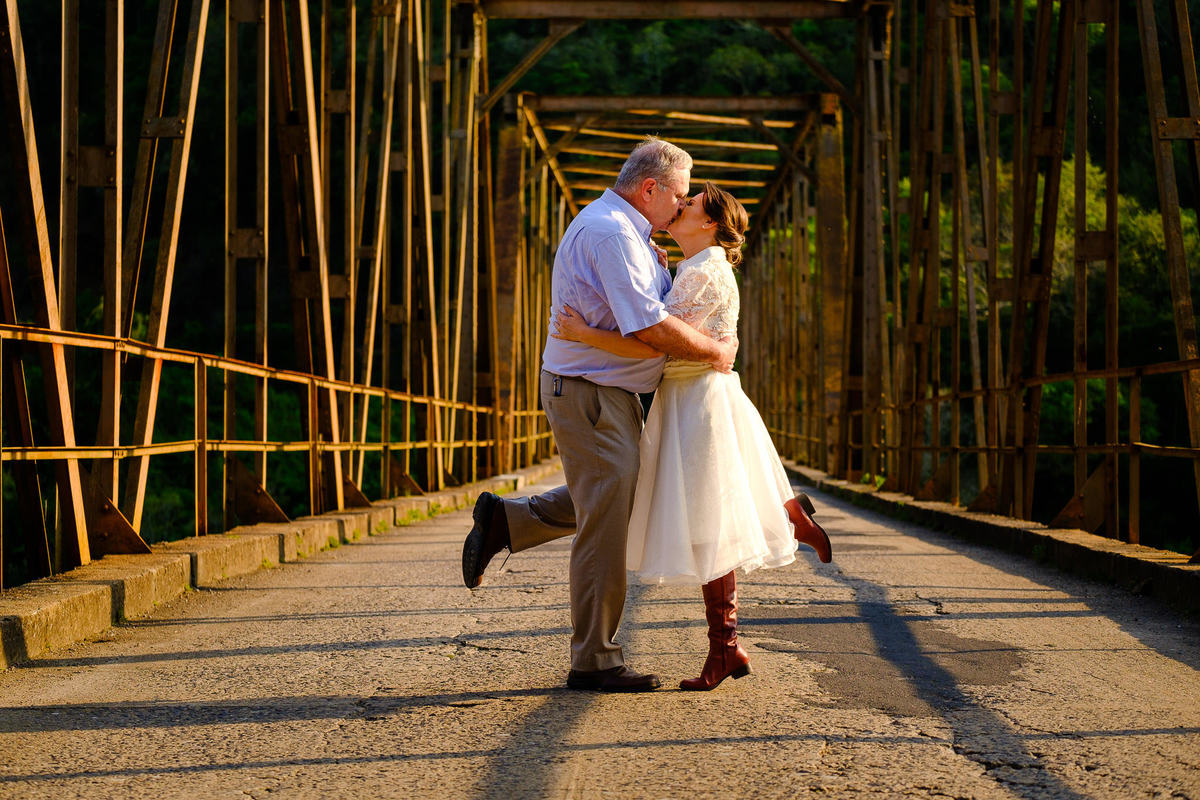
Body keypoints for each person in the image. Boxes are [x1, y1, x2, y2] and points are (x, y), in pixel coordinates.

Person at [460, 137, 737, 693]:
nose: (682, 206)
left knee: (627, 497)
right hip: (589, 391)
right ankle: (594, 660)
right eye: (679, 195)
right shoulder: (613, 232)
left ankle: (509, 521)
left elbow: (652, 310)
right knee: (606, 523)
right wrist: (716, 352)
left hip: (605, 392)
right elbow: (649, 330)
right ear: (651, 188)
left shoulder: (631, 232)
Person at [551, 182, 832, 691]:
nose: (678, 207)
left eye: (689, 204)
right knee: (709, 519)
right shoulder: (700, 268)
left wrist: (583, 334)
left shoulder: (701, 272)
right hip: (696, 397)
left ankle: (727, 642)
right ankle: (780, 529)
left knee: (708, 524)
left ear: (708, 224)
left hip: (694, 404)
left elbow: (653, 341)